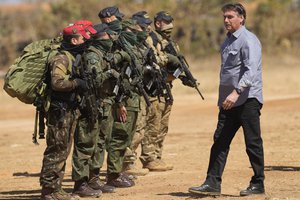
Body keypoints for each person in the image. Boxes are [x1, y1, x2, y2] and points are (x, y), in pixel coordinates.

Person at [188, 3, 265, 196]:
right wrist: (227, 97)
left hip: (247, 100)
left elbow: (251, 70)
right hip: (228, 102)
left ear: (242, 18)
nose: (226, 20)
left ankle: (258, 184)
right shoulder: (227, 41)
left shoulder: (249, 40)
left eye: (230, 17)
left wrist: (236, 92)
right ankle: (212, 183)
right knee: (220, 142)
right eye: (224, 17)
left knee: (252, 143)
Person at [39, 24, 91, 200]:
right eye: (83, 39)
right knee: (57, 149)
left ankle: (56, 189)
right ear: (74, 40)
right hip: (59, 112)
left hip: (69, 110)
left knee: (64, 149)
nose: (85, 41)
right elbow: (57, 83)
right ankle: (49, 191)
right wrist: (76, 83)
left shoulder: (72, 56)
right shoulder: (62, 58)